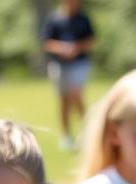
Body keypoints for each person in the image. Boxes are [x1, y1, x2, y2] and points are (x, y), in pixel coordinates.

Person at [42, 0, 95, 150]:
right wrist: (63, 49)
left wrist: (76, 48)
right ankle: (66, 135)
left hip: (79, 63)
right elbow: (47, 42)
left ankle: (88, 130)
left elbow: (91, 39)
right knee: (63, 100)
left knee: (76, 95)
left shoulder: (83, 19)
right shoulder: (54, 19)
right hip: (59, 65)